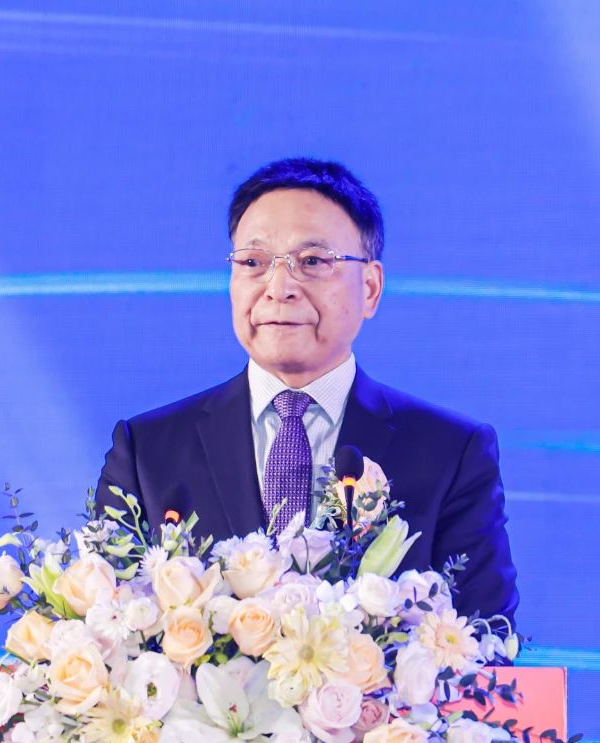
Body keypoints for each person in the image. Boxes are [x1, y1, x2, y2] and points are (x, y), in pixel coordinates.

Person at [95, 158, 518, 626]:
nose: (279, 288)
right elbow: (106, 628)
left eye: (313, 261)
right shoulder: (146, 451)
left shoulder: (451, 453)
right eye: (253, 263)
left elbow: (486, 640)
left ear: (370, 288)